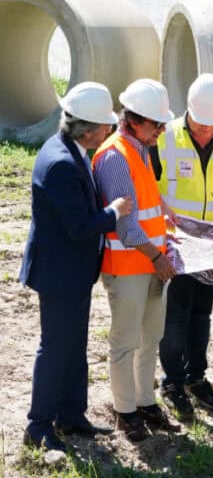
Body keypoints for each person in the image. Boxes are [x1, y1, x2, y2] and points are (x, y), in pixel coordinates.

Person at [19, 82, 132, 451]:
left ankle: (70, 415)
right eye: (106, 126)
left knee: (74, 345)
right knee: (56, 348)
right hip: (60, 274)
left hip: (71, 271)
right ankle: (38, 426)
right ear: (88, 130)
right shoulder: (62, 164)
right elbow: (81, 226)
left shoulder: (68, 149)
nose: (110, 130)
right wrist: (115, 211)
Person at [152, 74, 213, 420]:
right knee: (175, 315)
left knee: (202, 314)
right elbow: (145, 184)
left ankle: (196, 378)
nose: (206, 131)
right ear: (188, 111)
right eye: (200, 124)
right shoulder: (164, 138)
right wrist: (160, 214)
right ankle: (172, 383)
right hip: (176, 245)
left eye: (212, 125)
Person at [92, 78, 178, 442]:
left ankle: (145, 403)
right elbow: (126, 226)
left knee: (150, 338)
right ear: (134, 120)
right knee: (126, 342)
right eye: (156, 123)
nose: (162, 130)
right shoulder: (115, 157)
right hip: (130, 266)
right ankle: (126, 413)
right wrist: (158, 256)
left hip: (151, 264)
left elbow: (143, 200)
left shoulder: (140, 148)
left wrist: (163, 208)